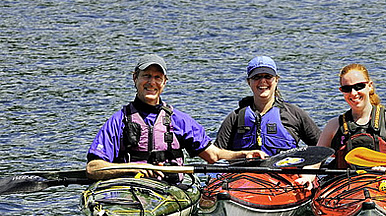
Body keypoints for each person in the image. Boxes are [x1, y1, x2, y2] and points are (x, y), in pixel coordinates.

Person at [86, 54, 265, 181]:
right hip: (127, 188)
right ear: (135, 78)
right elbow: (93, 168)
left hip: (167, 190)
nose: (151, 82)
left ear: (164, 82)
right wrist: (136, 168)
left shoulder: (178, 120)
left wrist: (244, 154)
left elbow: (213, 156)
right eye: (146, 76)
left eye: (157, 77)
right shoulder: (118, 121)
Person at [213, 55, 321, 156]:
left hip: (283, 174)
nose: (262, 81)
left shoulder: (294, 114)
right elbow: (216, 154)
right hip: (243, 174)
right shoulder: (235, 117)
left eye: (268, 77)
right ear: (248, 82)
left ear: (276, 80)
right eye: (256, 77)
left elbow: (322, 148)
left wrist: (308, 173)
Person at [317, 63, 386, 170]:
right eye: (347, 89)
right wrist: (306, 178)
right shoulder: (333, 125)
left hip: (384, 182)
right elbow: (315, 161)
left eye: (359, 86)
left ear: (369, 86)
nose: (353, 93)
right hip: (346, 183)